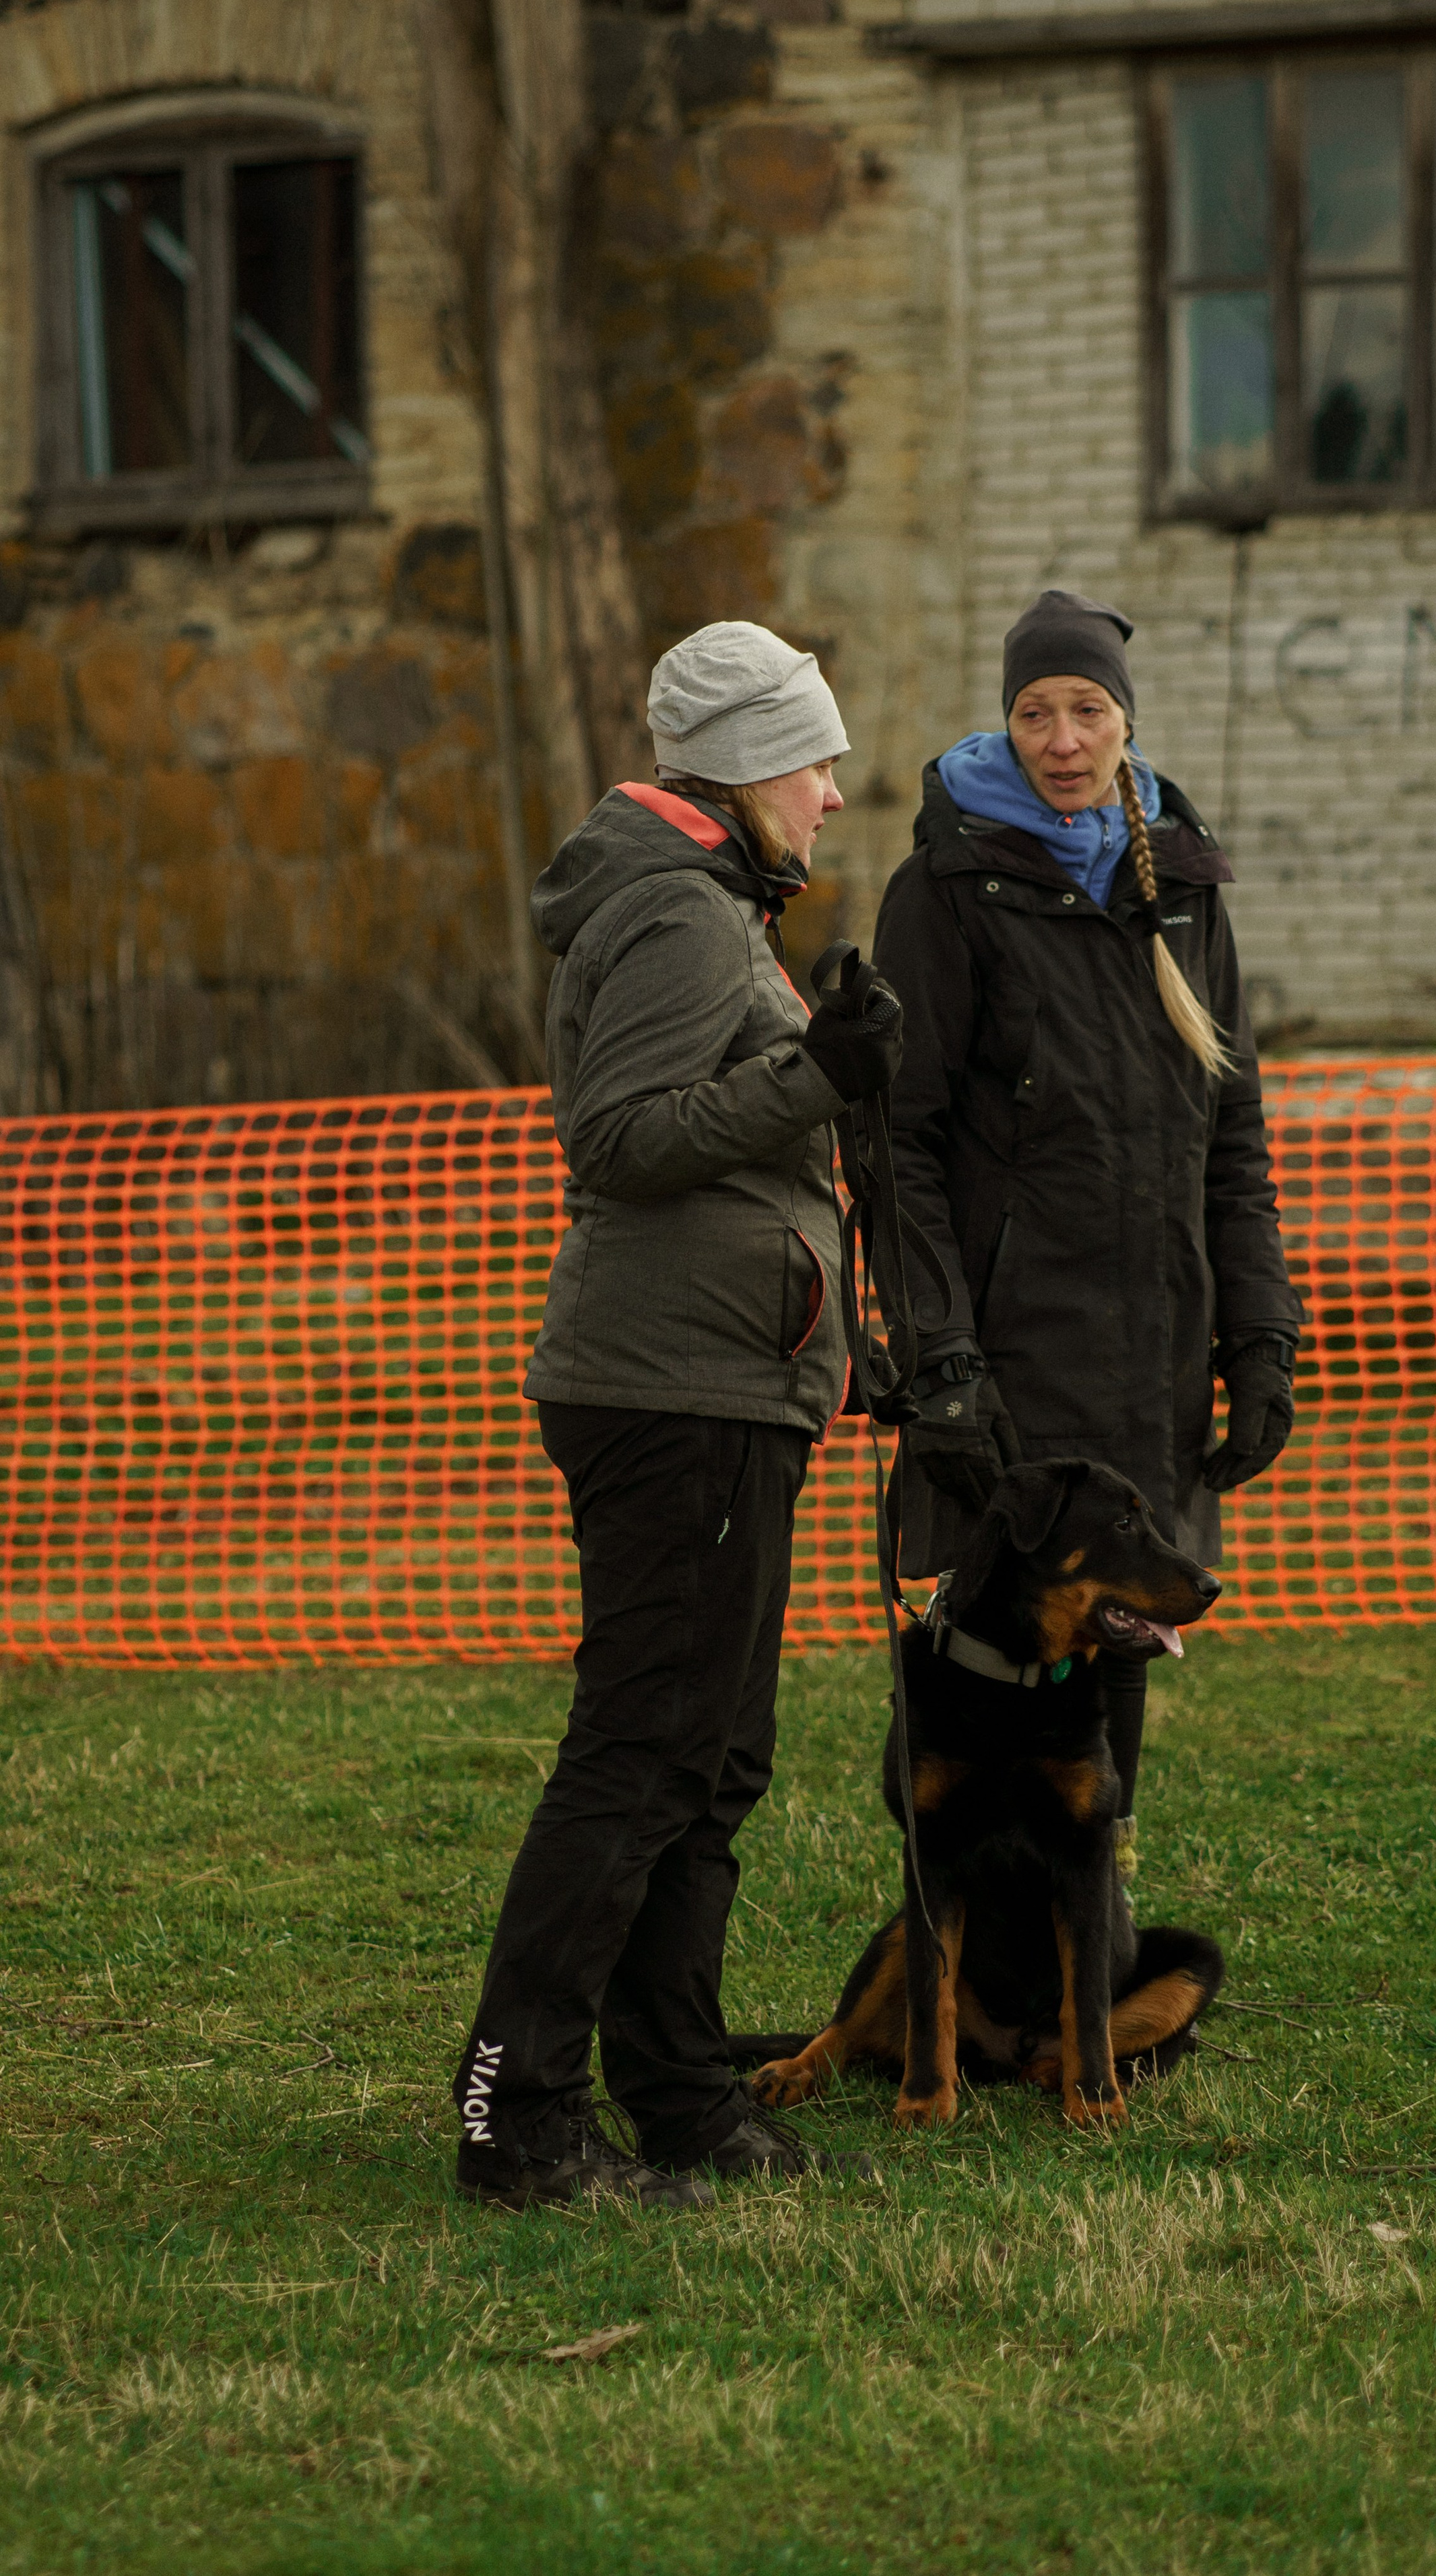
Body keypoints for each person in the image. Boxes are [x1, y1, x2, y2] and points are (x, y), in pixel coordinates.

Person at [453, 622, 903, 2212]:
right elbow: (620, 1139)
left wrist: (846, 1335)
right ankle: (517, 2116)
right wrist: (818, 1079)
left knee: (708, 1763)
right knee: (642, 1755)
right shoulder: (672, 912)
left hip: (724, 1382)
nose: (836, 793)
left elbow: (732, 1168)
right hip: (667, 1396)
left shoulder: (712, 907)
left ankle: (678, 2094)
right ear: (736, 762)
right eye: (814, 759)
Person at [872, 588, 1301, 1868]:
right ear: (1006, 727)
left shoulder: (1183, 891)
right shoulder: (945, 889)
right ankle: (964, 1962)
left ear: (1126, 722)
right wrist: (938, 1354)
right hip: (1005, 1372)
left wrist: (1262, 1337)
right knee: (975, 1684)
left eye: (1087, 710)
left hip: (1151, 1366)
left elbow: (1231, 1146)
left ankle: (1084, 1946)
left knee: (1119, 1667)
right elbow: (895, 1147)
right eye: (1034, 713)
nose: (1062, 739)